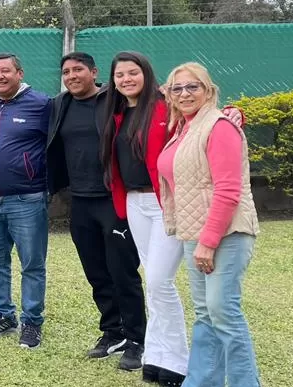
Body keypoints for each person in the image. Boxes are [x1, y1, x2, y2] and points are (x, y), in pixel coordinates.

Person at [158, 62, 260, 387]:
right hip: (194, 232)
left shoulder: (219, 126)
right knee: (205, 313)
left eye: (193, 87)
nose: (185, 93)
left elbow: (228, 190)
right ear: (170, 96)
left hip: (225, 234)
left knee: (224, 313)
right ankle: (201, 381)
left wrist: (208, 240)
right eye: (178, 88)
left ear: (208, 90)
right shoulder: (183, 128)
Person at [45, 52, 146, 369]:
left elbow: (155, 104)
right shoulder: (61, 104)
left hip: (113, 199)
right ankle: (112, 332)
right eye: (66, 71)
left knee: (123, 273)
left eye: (78, 70)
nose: (71, 75)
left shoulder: (113, 101)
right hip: (80, 200)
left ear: (94, 72)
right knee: (97, 274)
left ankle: (136, 340)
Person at [99, 52, 188, 385]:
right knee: (152, 281)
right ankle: (156, 356)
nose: (125, 79)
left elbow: (204, 118)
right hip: (135, 204)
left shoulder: (167, 106)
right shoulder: (118, 114)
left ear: (146, 74)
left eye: (132, 73)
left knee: (159, 282)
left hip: (165, 203)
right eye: (119, 75)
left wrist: (235, 114)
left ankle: (179, 361)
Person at [0, 53, 51, 349]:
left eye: (5, 71)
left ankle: (32, 322)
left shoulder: (41, 104)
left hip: (27, 199)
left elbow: (55, 144)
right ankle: (3, 314)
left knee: (32, 263)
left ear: (20, 73)